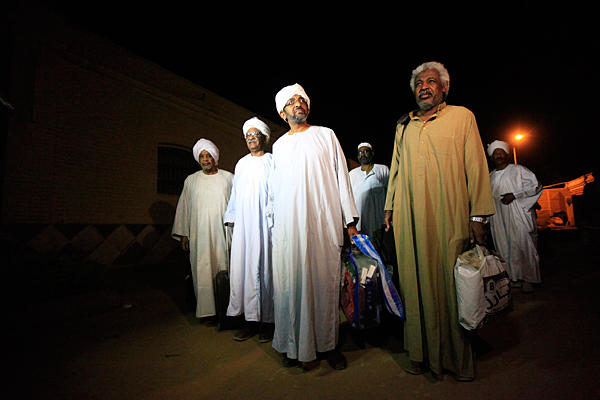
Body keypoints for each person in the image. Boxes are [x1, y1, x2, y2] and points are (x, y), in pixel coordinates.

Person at [383, 62, 495, 381]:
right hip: (409, 217)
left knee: (451, 284)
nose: (424, 87)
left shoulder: (462, 117)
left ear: (444, 88)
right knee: (414, 283)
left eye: (431, 82)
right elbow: (397, 168)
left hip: (450, 213)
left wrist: (478, 216)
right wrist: (390, 208)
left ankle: (458, 360)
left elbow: (475, 165)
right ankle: (419, 354)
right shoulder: (403, 125)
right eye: (419, 83)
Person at [268, 83, 359, 371]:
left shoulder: (326, 136)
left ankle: (328, 345)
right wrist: (274, 227)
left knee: (324, 286)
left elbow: (342, 178)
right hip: (289, 229)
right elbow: (274, 192)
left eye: (301, 100)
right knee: (291, 287)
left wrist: (350, 223)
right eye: (292, 102)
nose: (298, 104)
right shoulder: (279, 146)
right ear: (283, 113)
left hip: (322, 223)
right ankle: (293, 345)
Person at [223, 117, 275, 342]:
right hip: (245, 228)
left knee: (267, 272)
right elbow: (235, 194)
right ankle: (248, 322)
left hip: (266, 227)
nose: (251, 139)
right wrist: (232, 218)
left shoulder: (273, 161)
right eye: (248, 136)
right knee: (243, 272)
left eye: (256, 135)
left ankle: (267, 324)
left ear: (264, 138)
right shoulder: (241, 164)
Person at [172, 139, 234, 319]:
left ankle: (227, 311)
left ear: (215, 158)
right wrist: (184, 235)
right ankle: (207, 312)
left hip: (223, 235)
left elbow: (236, 205)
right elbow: (184, 207)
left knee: (224, 268)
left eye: (209, 156)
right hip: (199, 236)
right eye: (202, 157)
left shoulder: (228, 178)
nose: (206, 160)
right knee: (202, 270)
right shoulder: (191, 181)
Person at [487, 140, 542, 293]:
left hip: (518, 214)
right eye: (495, 153)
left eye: (501, 152)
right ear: (491, 157)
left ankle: (528, 279)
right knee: (503, 246)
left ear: (507, 154)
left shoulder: (519, 170)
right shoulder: (489, 176)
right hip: (498, 218)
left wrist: (516, 195)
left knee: (523, 245)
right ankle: (512, 279)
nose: (498, 155)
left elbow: (536, 187)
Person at [349, 142, 390, 238]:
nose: (362, 154)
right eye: (360, 153)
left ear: (372, 153)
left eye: (366, 151)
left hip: (378, 223)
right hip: (359, 224)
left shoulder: (382, 170)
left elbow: (390, 193)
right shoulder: (352, 174)